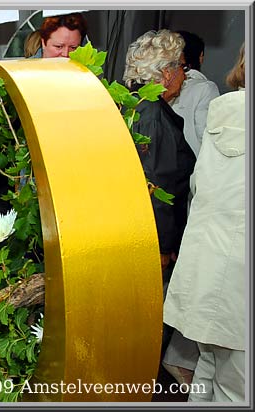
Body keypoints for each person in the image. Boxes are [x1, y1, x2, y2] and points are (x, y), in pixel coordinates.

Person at [163, 44, 246, 402]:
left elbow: (198, 184)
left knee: (206, 371)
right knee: (237, 388)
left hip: (207, 264)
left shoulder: (222, 108)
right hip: (238, 281)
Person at [122, 30, 197, 359]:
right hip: (151, 242)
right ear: (166, 73)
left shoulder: (129, 104)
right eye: (182, 66)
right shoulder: (153, 117)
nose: (185, 74)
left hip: (131, 234)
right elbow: (158, 188)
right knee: (145, 318)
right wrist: (165, 248)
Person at [161, 30, 219, 387]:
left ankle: (173, 353)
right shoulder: (208, 90)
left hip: (175, 191)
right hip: (190, 191)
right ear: (197, 60)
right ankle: (176, 356)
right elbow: (204, 146)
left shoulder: (148, 100)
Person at [170, 31, 220, 156]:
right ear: (201, 56)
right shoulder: (206, 89)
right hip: (192, 166)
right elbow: (206, 133)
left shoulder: (159, 84)